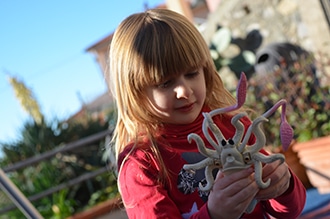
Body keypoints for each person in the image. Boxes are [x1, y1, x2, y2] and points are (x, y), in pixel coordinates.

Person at [108, 8, 306, 219]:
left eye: (192, 73)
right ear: (135, 93)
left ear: (206, 71)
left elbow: (290, 210)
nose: (184, 91)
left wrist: (283, 186)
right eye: (165, 83)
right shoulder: (142, 163)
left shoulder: (234, 127)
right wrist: (214, 214)